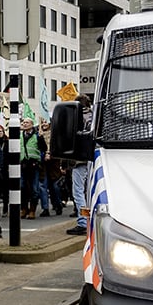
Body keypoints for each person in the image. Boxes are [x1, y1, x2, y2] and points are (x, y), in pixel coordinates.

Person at [67, 94, 94, 235]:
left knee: (78, 192)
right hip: (94, 158)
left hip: (80, 160)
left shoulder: (77, 118)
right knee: (90, 191)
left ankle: (83, 221)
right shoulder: (95, 116)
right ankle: (91, 220)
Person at [20, 117, 46, 218]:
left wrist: (41, 138)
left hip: (34, 165)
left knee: (34, 189)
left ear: (31, 124)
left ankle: (32, 210)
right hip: (22, 165)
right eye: (23, 122)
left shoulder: (37, 136)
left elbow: (44, 148)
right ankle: (24, 208)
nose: (24, 124)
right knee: (22, 187)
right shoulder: (20, 135)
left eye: (27, 122)